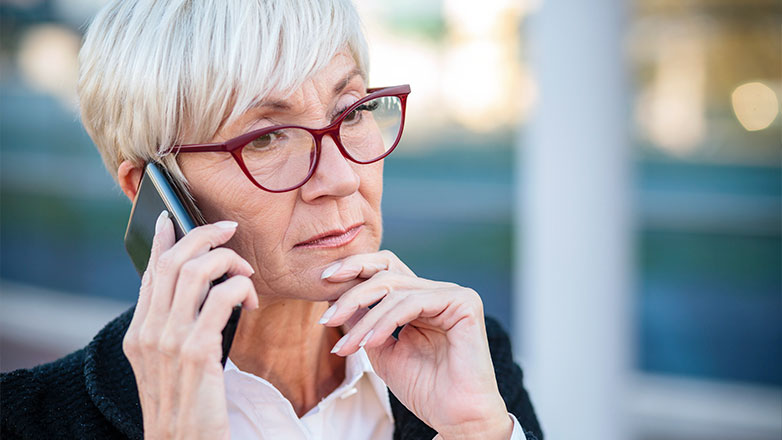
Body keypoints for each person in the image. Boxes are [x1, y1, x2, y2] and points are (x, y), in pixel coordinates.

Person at [0, 1, 543, 439]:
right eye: (265, 138)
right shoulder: (27, 420)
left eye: (350, 111)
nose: (340, 177)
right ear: (149, 190)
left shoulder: (464, 356)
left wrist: (477, 434)